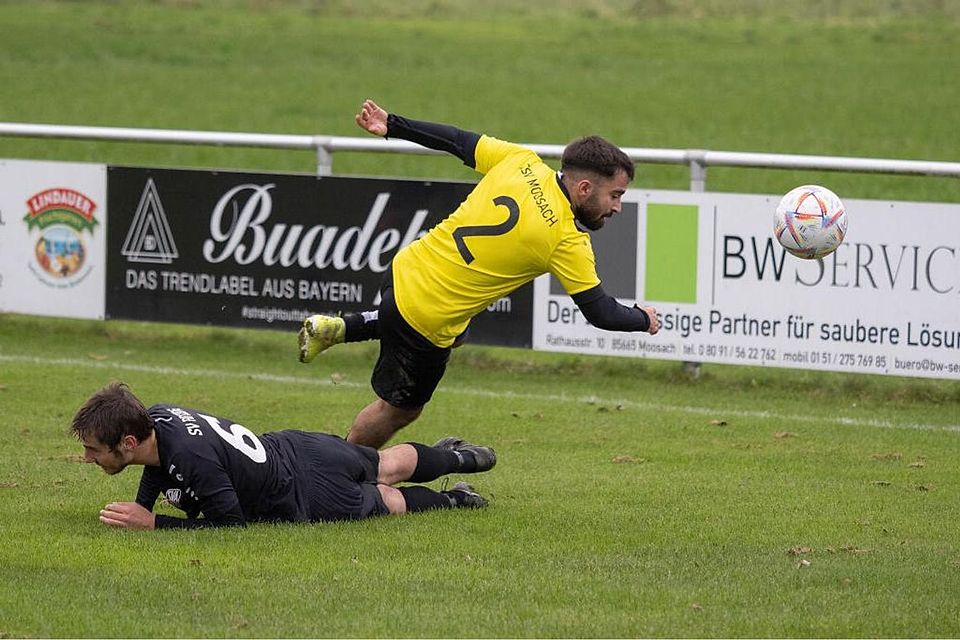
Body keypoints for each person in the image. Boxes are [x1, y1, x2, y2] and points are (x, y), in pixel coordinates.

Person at [299, 99, 661, 449]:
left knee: (455, 329)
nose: (617, 206)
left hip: (405, 268)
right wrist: (642, 319)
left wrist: (392, 124)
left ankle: (341, 328)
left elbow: (456, 140)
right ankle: (341, 469)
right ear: (584, 188)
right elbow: (601, 313)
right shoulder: (566, 239)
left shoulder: (522, 161)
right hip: (426, 316)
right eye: (615, 195)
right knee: (400, 410)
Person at [71, 382, 496, 529]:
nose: (89, 458)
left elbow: (229, 523)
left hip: (301, 495)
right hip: (298, 447)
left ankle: (457, 499)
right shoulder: (159, 418)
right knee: (385, 463)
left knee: (389, 499)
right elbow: (162, 464)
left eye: (93, 449)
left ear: (127, 442)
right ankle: (462, 458)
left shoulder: (192, 458)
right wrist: (142, 503)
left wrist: (155, 523)